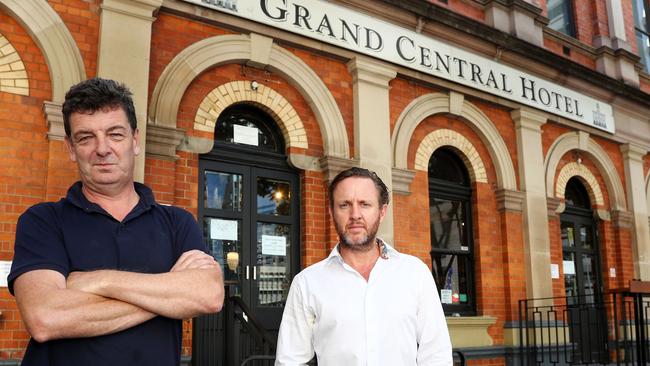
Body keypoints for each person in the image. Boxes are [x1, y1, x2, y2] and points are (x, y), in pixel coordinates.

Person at [8, 77, 224, 366]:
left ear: (135, 141)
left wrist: (95, 280)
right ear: (71, 148)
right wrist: (170, 296)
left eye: (115, 134)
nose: (102, 148)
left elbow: (207, 296)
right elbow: (46, 318)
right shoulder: (43, 220)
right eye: (86, 138)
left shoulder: (177, 222)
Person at [275, 167, 453, 365]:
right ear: (331, 211)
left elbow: (436, 355)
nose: (355, 215)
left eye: (365, 204)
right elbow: (289, 361)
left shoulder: (415, 274)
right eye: (344, 205)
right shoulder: (307, 283)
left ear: (382, 211)